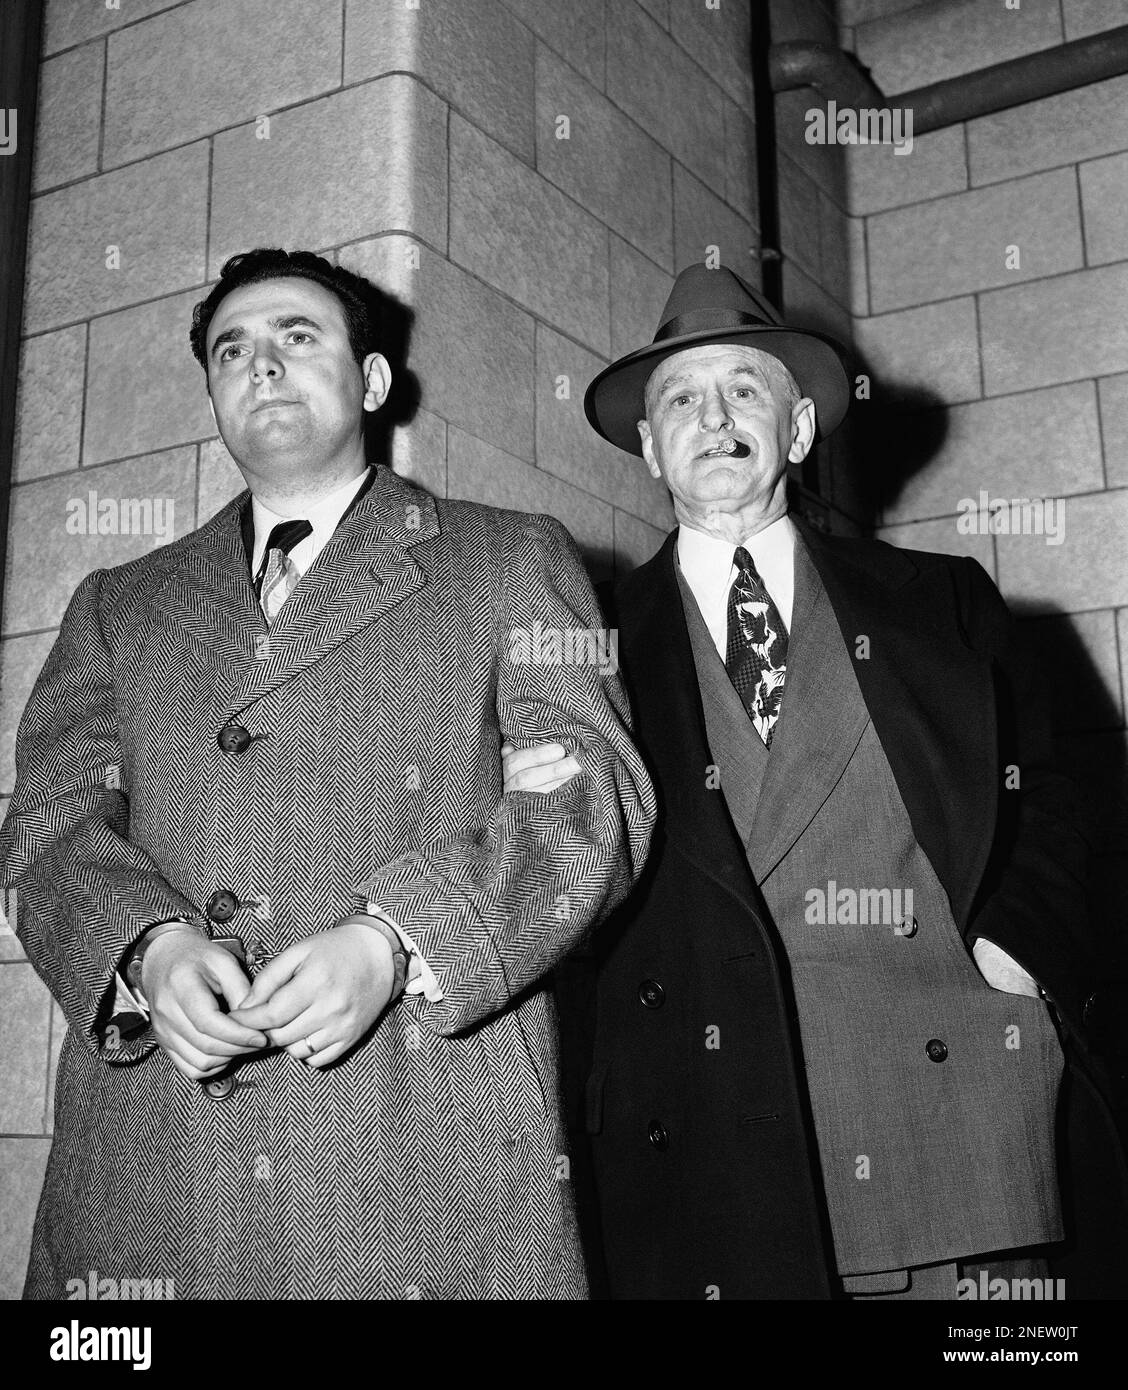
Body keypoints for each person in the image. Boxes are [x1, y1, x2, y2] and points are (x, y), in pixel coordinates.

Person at [0, 247, 654, 1300]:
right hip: (157, 1171)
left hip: (424, 1141)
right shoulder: (117, 605)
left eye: (297, 337)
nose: (261, 365)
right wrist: (147, 948)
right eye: (232, 350)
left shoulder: (510, 559)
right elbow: (48, 823)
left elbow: (592, 804)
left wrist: (397, 939)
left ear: (374, 381)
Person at [504, 263, 1103, 1300]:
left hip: (951, 1115)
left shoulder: (943, 604)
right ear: (649, 448)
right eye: (680, 399)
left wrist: (1016, 947)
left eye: (745, 388)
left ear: (797, 430)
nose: (714, 416)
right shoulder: (579, 642)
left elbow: (1059, 792)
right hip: (704, 1134)